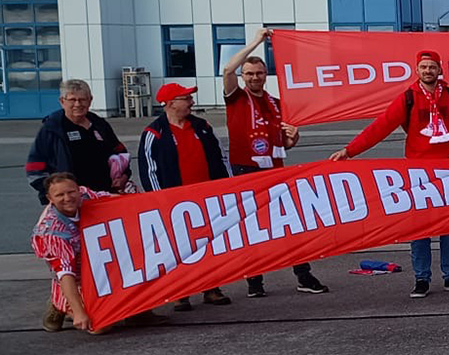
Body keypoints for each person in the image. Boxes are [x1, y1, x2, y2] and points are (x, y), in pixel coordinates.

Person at [332, 50, 449, 298]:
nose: (428, 71)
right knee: (420, 229)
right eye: (424, 67)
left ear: (440, 69)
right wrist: (349, 151)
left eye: (432, 67)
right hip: (417, 172)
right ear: (417, 70)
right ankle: (421, 278)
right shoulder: (408, 98)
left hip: (448, 170)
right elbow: (380, 127)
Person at [220, 31, 329, 297]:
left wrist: (293, 139)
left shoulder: (276, 104)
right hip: (245, 169)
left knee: (291, 224)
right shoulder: (236, 98)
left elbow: (282, 143)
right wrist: (257, 42)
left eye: (259, 73)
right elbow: (227, 68)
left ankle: (304, 276)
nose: (254, 78)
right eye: (249, 74)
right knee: (252, 227)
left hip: (276, 168)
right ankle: (254, 282)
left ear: (265, 75)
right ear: (243, 77)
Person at [139, 82, 234, 310]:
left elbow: (221, 158)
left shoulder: (202, 126)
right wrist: (159, 200)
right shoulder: (154, 132)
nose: (191, 102)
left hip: (207, 198)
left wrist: (230, 186)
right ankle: (181, 292)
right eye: (186, 98)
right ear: (171, 103)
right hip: (174, 202)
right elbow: (149, 169)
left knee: (209, 244)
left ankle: (211, 287)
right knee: (178, 247)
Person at [33, 173, 117, 333]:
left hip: (101, 263)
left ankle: (141, 312)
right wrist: (79, 313)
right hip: (75, 276)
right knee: (99, 325)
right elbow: (65, 273)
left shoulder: (86, 195)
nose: (67, 198)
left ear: (78, 190)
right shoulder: (51, 232)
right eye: (60, 195)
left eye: (71, 192)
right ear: (50, 198)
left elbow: (117, 200)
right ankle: (59, 302)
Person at [27, 79, 129, 202]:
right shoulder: (52, 129)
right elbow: (34, 168)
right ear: (62, 101)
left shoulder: (100, 125)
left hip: (105, 196)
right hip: (72, 202)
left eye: (82, 100)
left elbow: (120, 152)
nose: (77, 104)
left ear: (90, 100)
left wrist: (123, 176)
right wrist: (55, 193)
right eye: (72, 100)